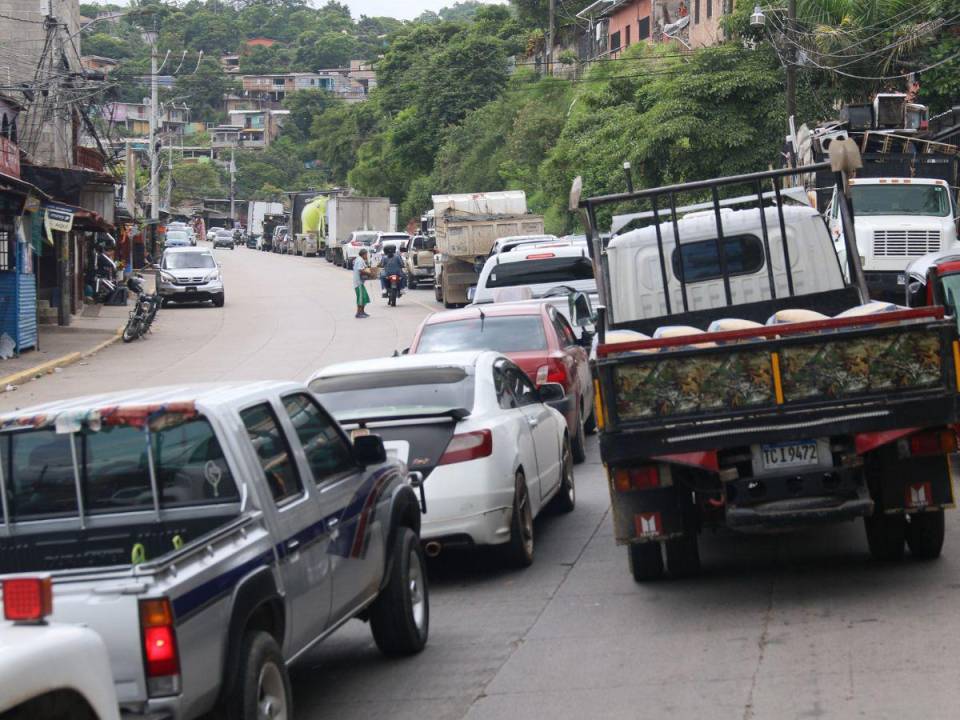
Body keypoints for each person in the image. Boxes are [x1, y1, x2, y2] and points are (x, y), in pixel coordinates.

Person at [353, 248, 372, 318]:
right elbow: (360, 270)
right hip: (358, 283)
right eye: (366, 254)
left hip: (360, 283)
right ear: (363, 254)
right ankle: (359, 313)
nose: (367, 256)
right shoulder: (360, 260)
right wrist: (369, 273)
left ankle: (362, 312)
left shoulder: (360, 259)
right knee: (360, 298)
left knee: (364, 298)